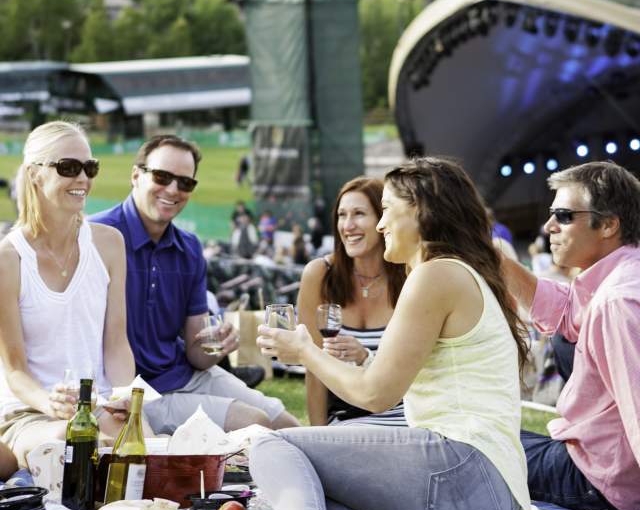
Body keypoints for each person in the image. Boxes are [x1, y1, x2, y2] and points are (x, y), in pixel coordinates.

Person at [221, 157, 532, 510]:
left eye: (386, 209)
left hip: (461, 471)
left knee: (269, 443)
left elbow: (375, 394)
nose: (381, 224)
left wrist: (305, 351)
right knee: (311, 474)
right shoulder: (462, 273)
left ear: (421, 210)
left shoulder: (435, 275)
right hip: (491, 505)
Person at [91, 135, 299, 434]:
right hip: (128, 390)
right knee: (256, 423)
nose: (173, 190)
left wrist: (218, 346)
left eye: (185, 183)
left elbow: (197, 355)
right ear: (136, 176)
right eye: (162, 177)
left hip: (183, 375)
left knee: (287, 426)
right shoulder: (98, 235)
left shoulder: (189, 248)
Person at [500, 160, 640, 510]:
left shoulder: (617, 302)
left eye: (563, 215)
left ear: (609, 224)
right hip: (609, 459)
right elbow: (566, 317)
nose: (549, 227)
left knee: (475, 445)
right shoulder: (624, 272)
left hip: (605, 481)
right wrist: (500, 263)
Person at [0, 121, 136, 469]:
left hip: (99, 407)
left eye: (89, 168)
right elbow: (15, 371)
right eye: (68, 168)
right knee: (76, 445)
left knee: (140, 455)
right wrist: (50, 404)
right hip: (31, 414)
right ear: (34, 174)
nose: (83, 180)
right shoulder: (9, 259)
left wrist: (123, 398)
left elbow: (117, 344)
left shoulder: (109, 244)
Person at [300, 176, 406, 426]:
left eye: (359, 214)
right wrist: (319, 437)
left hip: (404, 421)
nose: (348, 226)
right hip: (346, 422)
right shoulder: (319, 275)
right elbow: (313, 370)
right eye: (341, 215)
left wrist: (364, 357)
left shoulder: (410, 276)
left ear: (383, 221)